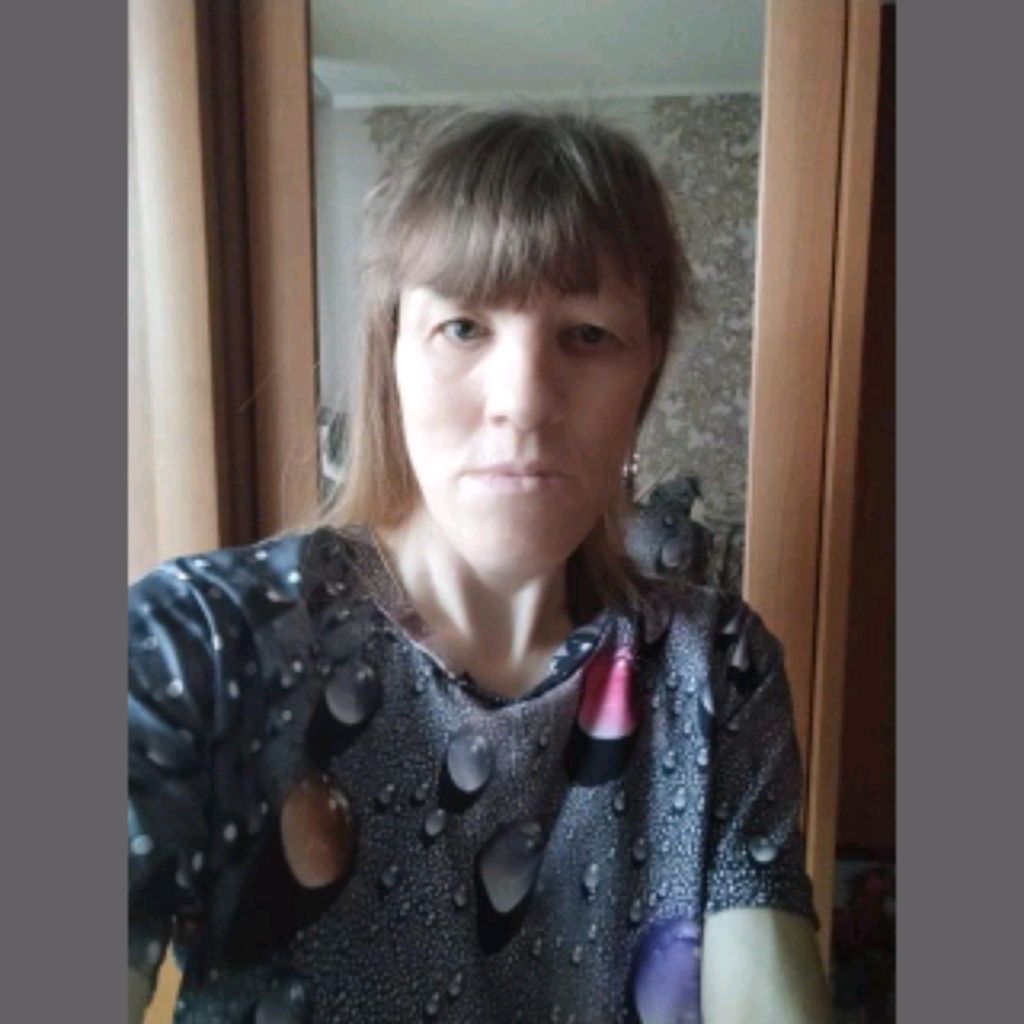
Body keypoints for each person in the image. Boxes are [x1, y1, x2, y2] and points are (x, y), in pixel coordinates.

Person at [129, 108, 831, 1023]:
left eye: (588, 334)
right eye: (463, 327)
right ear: (392, 357)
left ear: (646, 372)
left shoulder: (718, 671)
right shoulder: (200, 640)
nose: (524, 402)